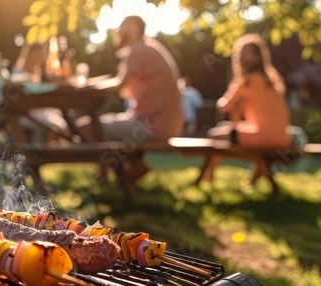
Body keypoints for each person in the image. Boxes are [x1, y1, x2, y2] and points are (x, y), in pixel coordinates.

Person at [82, 16, 183, 182]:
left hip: (149, 125)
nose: (119, 30)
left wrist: (87, 86)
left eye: (123, 25)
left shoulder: (139, 50)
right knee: (101, 130)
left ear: (135, 27)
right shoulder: (148, 48)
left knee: (87, 126)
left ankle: (114, 174)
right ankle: (131, 170)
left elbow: (119, 87)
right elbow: (126, 91)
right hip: (162, 124)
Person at [198, 33, 291, 188]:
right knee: (225, 129)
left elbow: (222, 107)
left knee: (215, 135)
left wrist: (234, 94)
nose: (240, 57)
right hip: (282, 136)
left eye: (242, 54)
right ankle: (251, 183)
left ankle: (207, 175)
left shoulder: (246, 81)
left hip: (263, 137)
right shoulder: (272, 80)